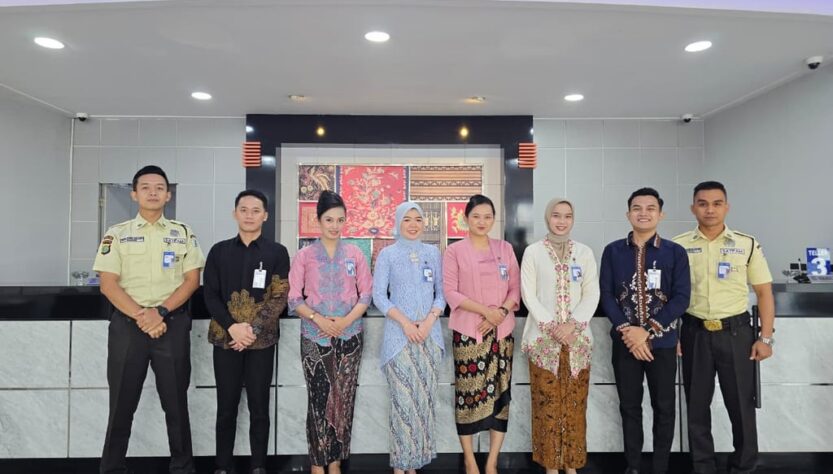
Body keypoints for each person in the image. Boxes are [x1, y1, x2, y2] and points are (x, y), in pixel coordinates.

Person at [94, 165, 204, 474]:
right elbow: (108, 284)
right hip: (128, 327)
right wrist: (144, 317)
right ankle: (112, 468)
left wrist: (161, 313)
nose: (153, 192)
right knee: (121, 405)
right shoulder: (117, 233)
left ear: (168, 195)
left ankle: (182, 468)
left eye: (159, 188)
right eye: (145, 187)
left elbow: (192, 280)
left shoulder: (183, 233)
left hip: (172, 324)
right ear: (134, 194)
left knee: (176, 405)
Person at [673, 181, 775, 474]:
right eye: (703, 203)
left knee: (741, 404)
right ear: (693, 208)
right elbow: (670, 295)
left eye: (717, 203)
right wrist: (673, 333)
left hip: (737, 333)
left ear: (726, 207)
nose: (710, 209)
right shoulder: (678, 246)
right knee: (696, 405)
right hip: (694, 333)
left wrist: (766, 338)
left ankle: (743, 465)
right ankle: (702, 466)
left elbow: (764, 292)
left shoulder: (746, 244)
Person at [599, 187, 690, 474]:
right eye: (637, 208)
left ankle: (661, 466)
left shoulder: (675, 252)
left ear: (661, 214)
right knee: (629, 407)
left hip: (662, 344)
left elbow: (681, 298)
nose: (643, 213)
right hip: (625, 343)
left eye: (651, 208)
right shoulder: (613, 251)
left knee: (664, 407)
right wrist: (629, 332)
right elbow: (606, 295)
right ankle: (634, 466)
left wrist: (647, 331)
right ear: (628, 214)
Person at [203, 189, 290, 474]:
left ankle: (258, 466)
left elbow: (279, 296)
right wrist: (233, 328)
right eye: (244, 209)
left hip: (261, 342)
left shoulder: (277, 252)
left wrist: (251, 330)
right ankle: (222, 466)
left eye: (255, 210)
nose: (249, 215)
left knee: (259, 408)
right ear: (235, 214)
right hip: (225, 340)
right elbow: (210, 295)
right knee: (226, 408)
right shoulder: (218, 251)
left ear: (265, 215)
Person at [287, 190, 372, 474]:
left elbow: (366, 295)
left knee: (343, 400)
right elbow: (293, 299)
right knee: (318, 399)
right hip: (315, 337)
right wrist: (319, 320)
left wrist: (345, 320)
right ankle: (316, 463)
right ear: (318, 221)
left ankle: (335, 462)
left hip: (350, 336)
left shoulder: (355, 254)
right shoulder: (304, 256)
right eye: (329, 220)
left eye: (340, 220)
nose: (335, 225)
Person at [442, 194, 520, 474]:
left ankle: (492, 462)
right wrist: (485, 312)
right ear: (466, 219)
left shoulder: (505, 248)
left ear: (494, 219)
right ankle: (470, 460)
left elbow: (515, 288)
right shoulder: (454, 251)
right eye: (476, 216)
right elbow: (450, 291)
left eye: (488, 216)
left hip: (502, 333)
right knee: (468, 396)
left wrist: (500, 311)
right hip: (468, 333)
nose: (482, 221)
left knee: (501, 396)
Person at [520, 198, 599, 474]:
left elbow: (592, 293)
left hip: (577, 342)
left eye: (567, 216)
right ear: (547, 218)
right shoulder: (533, 252)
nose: (561, 221)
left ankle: (572, 464)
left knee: (575, 405)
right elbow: (528, 294)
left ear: (573, 219)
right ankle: (551, 465)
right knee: (547, 404)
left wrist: (573, 326)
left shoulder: (585, 253)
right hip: (543, 342)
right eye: (556, 215)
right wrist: (554, 327)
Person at [373, 201, 446, 474]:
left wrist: (428, 322)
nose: (413, 224)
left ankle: (414, 464)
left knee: (423, 402)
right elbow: (379, 296)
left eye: (418, 219)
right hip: (399, 338)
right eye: (407, 219)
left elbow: (442, 294)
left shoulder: (433, 253)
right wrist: (406, 323)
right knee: (403, 402)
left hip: (429, 337)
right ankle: (400, 465)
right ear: (398, 222)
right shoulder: (388, 254)